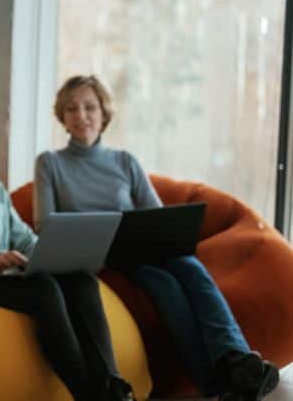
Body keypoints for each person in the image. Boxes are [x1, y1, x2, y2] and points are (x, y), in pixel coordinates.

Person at [34, 74, 280, 401]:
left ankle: (234, 360)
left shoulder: (124, 161)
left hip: (144, 247)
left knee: (192, 270)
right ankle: (216, 384)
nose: (81, 116)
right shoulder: (50, 163)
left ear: (103, 112)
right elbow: (44, 224)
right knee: (165, 288)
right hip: (99, 257)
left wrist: (157, 232)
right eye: (72, 108)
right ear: (62, 116)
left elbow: (155, 213)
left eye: (89, 107)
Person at [0, 93, 135, 401]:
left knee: (81, 280)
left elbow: (22, 237)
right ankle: (89, 394)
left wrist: (56, 254)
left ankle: (112, 386)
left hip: (4, 274)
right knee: (43, 288)